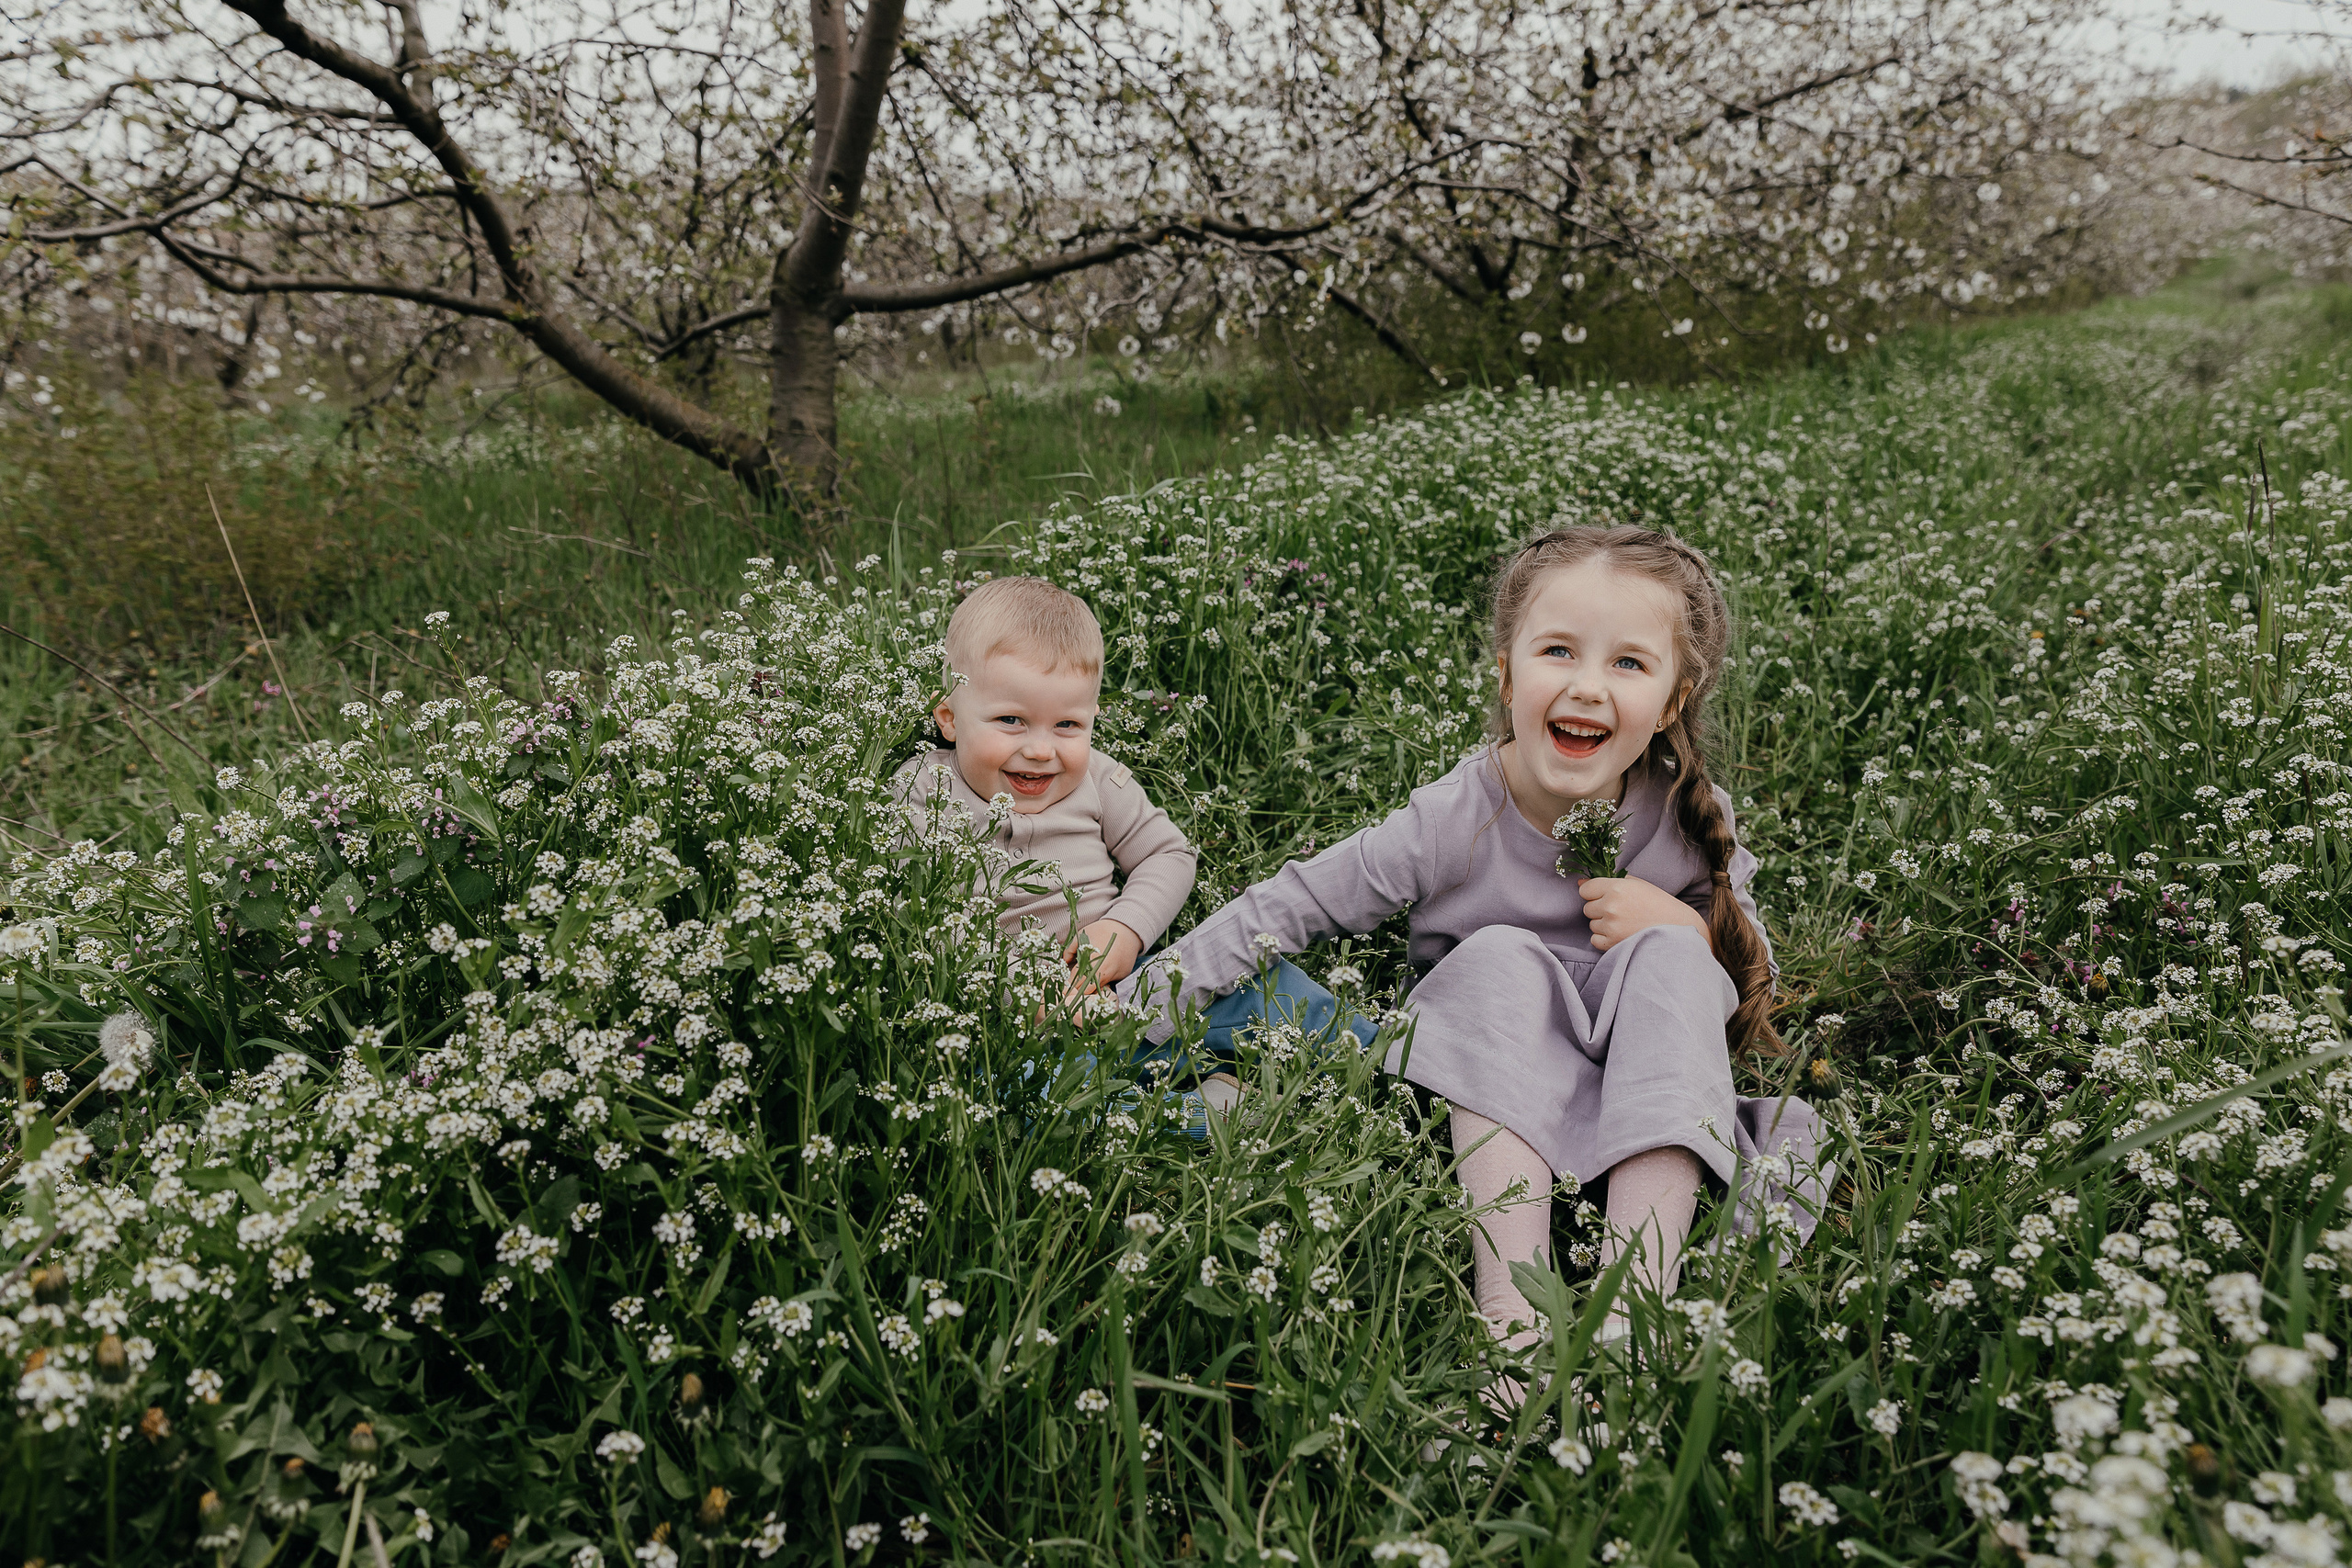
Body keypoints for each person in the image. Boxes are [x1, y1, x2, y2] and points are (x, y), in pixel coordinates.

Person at [1116, 525, 1826, 1354]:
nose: (1587, 686)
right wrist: (1130, 1005)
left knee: (1674, 955)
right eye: (1558, 650)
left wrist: (1686, 926)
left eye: (1629, 663)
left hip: (1644, 1108)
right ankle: (1510, 1324)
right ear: (1508, 672)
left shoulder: (1684, 816)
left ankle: (1633, 1311)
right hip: (1487, 1108)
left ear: (1673, 700)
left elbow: (1749, 969)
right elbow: (1299, 900)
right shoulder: (1458, 814)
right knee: (1497, 954)